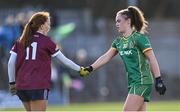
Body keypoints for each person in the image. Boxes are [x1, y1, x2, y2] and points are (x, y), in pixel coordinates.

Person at [80, 6, 166, 111]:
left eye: (119, 21)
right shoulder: (118, 42)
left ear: (128, 21)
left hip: (142, 82)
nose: (116, 24)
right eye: (116, 21)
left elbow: (152, 58)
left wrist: (159, 79)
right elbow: (106, 57)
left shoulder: (139, 38)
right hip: (133, 83)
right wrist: (90, 68)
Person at [8, 11, 85, 111]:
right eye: (48, 24)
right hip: (38, 85)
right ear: (41, 26)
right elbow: (64, 60)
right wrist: (80, 69)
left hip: (22, 86)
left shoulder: (20, 41)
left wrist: (12, 83)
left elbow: (10, 63)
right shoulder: (47, 41)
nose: (49, 26)